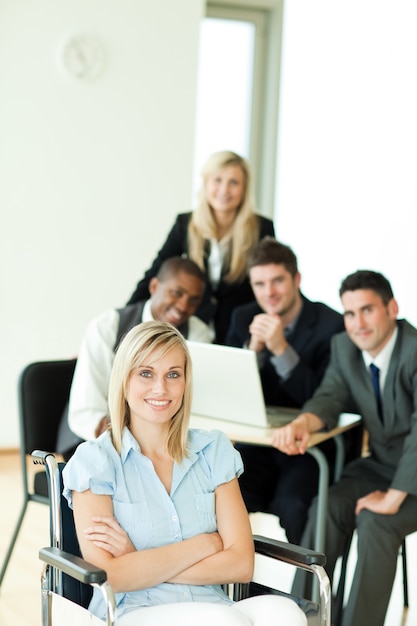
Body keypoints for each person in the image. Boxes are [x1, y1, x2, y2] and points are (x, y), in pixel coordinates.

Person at [62, 321, 307, 626]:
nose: (160, 388)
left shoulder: (212, 451)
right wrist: (204, 545)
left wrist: (139, 558)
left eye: (173, 375)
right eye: (146, 373)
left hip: (213, 603)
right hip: (132, 610)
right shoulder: (95, 461)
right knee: (224, 622)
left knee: (287, 614)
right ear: (124, 381)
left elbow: (241, 564)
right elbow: (112, 575)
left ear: (185, 382)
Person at [272, 270, 417, 626]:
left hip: (411, 477)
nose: (358, 323)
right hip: (382, 465)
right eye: (350, 314)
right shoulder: (345, 348)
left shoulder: (414, 351)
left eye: (368, 310)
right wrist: (303, 424)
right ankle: (302, 617)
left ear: (392, 308)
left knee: (376, 522)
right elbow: (329, 396)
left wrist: (394, 495)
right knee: (328, 506)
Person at [226, 237, 345, 543]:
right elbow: (232, 396)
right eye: (260, 284)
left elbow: (325, 396)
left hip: (307, 446)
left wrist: (281, 350)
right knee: (224, 495)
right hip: (257, 444)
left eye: (278, 281)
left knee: (294, 506)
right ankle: (236, 587)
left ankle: (299, 590)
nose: (270, 292)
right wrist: (253, 351)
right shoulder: (243, 317)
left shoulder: (331, 325)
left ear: (296, 280)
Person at [58, 257, 213, 457]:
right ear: (154, 286)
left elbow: (195, 401)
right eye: (177, 293)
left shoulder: (198, 334)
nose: (183, 306)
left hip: (165, 444)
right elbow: (87, 411)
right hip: (96, 441)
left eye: (194, 300)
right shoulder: (108, 327)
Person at [127, 151, 275, 344]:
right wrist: (124, 325)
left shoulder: (261, 228)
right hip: (193, 328)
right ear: (206, 184)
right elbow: (155, 275)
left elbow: (272, 277)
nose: (224, 190)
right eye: (217, 180)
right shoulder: (186, 224)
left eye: (234, 182)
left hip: (240, 332)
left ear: (244, 189)